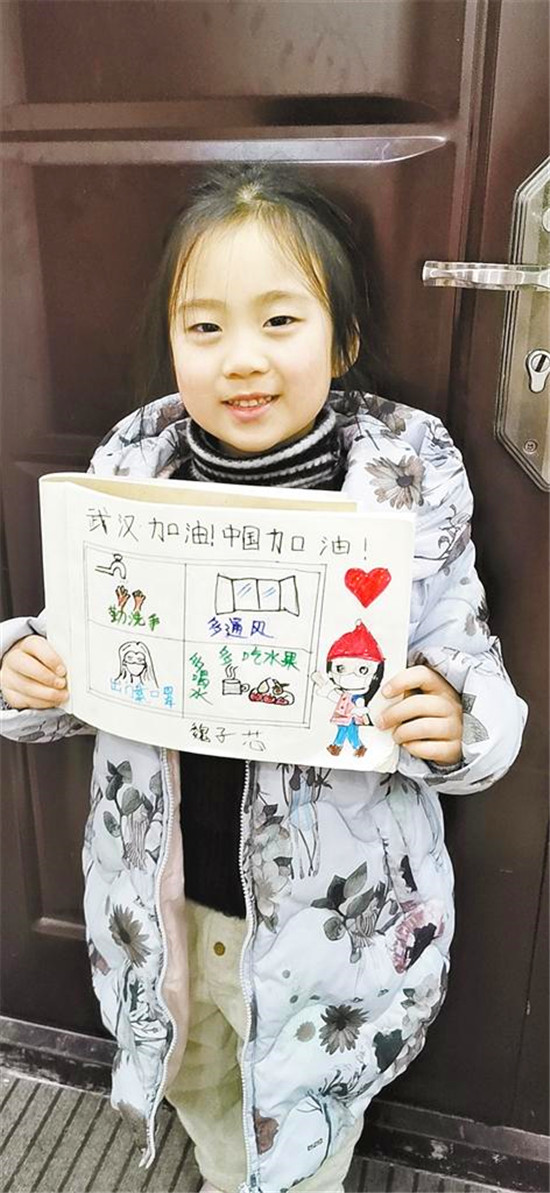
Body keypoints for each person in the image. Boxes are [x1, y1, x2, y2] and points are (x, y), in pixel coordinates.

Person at [0, 163, 527, 1193]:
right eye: (204, 327)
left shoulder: (407, 482)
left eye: (280, 319)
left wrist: (461, 721)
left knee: (308, 1111)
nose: (242, 357)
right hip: (167, 900)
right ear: (172, 344)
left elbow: (467, 656)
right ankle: (220, 1164)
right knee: (199, 1075)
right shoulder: (131, 474)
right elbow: (86, 642)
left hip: (331, 920)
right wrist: (28, 669)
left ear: (344, 338)